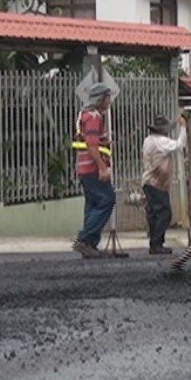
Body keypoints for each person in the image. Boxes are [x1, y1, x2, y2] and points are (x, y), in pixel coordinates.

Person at [72, 83, 116, 259]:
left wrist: (104, 144)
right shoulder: (94, 116)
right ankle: (85, 239)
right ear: (101, 99)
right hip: (92, 167)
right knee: (107, 199)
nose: (110, 101)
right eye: (107, 97)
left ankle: (90, 245)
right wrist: (102, 167)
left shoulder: (85, 115)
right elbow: (91, 144)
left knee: (92, 204)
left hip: (84, 167)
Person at [142, 114, 187, 255]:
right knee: (164, 213)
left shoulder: (148, 140)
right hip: (157, 182)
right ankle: (156, 243)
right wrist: (183, 127)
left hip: (149, 181)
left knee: (154, 213)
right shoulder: (161, 142)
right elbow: (180, 145)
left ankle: (155, 243)